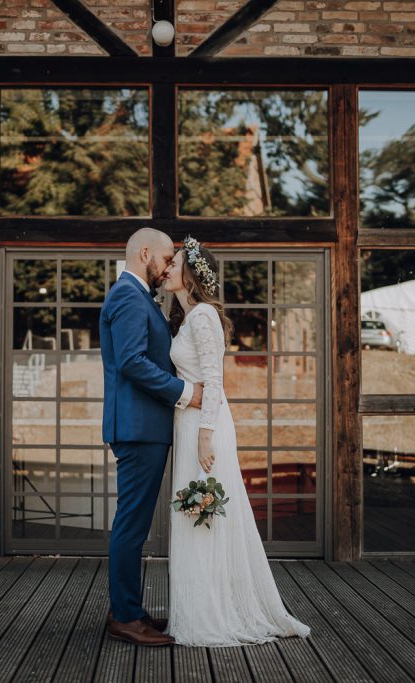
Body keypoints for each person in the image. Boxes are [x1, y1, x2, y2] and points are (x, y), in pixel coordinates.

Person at [163, 237, 311, 647]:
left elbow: (214, 380)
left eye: (173, 263)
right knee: (192, 514)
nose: (167, 269)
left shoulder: (203, 317)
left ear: (191, 273)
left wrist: (206, 436)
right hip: (189, 422)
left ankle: (214, 613)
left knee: (202, 513)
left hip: (203, 426)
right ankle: (197, 606)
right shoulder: (187, 317)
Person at [100, 228, 204, 647]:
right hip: (138, 428)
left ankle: (129, 608)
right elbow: (131, 362)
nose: (166, 269)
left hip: (144, 426)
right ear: (145, 253)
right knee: (131, 525)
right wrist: (185, 393)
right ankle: (125, 617)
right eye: (164, 259)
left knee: (133, 522)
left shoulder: (139, 296)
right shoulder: (128, 295)